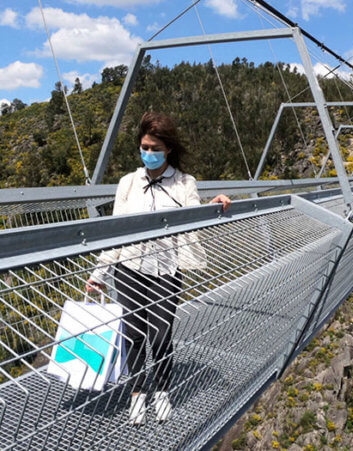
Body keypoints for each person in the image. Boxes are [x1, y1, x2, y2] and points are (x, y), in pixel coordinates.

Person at [86, 111, 231, 425]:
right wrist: (99, 273)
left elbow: (193, 218)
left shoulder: (183, 183)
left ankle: (162, 389)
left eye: (155, 148)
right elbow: (116, 232)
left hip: (166, 269)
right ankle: (138, 393)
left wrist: (213, 205)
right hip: (128, 269)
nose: (148, 154)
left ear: (168, 149)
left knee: (161, 333)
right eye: (144, 147)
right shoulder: (127, 183)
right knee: (134, 333)